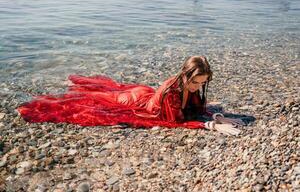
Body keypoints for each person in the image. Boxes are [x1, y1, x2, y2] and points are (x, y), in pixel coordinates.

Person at [17, 56, 245, 135]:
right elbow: (174, 123)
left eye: (202, 83)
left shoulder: (192, 88)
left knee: (100, 94)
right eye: (195, 82)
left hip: (147, 93)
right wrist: (210, 127)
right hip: (136, 100)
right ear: (184, 75)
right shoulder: (172, 92)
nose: (197, 86)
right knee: (95, 101)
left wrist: (216, 117)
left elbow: (194, 111)